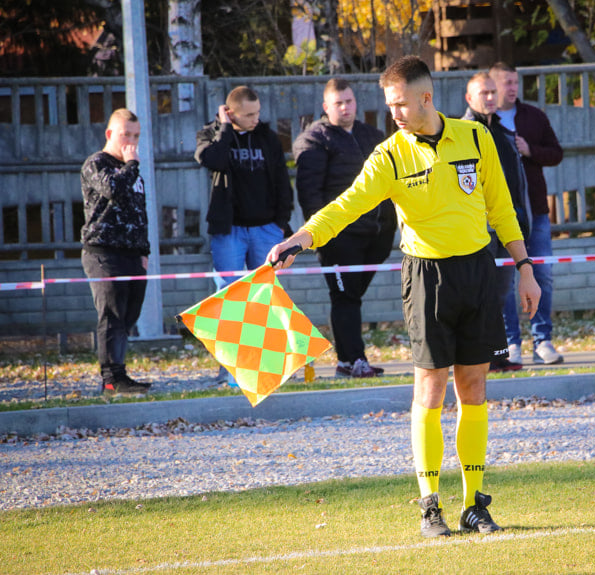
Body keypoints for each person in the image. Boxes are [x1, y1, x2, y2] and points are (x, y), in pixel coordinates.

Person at [268, 56, 541, 538]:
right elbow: (346, 206)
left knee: (474, 389)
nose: (392, 112)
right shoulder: (388, 155)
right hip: (427, 278)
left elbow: (501, 208)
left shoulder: (476, 138)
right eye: (388, 104)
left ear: (425, 98)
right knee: (430, 391)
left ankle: (474, 504)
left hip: (478, 271)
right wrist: (300, 238)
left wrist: (524, 269)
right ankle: (429, 505)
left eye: (399, 103)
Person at [292, 78, 396, 378]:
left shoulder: (373, 136)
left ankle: (349, 359)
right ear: (326, 107)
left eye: (349, 101)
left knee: (351, 296)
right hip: (338, 238)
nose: (346, 107)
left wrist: (388, 224)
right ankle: (352, 361)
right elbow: (309, 193)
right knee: (345, 297)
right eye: (339, 103)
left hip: (376, 235)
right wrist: (320, 235)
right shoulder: (315, 140)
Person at [195, 85, 294, 384]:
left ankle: (267, 366)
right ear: (230, 112)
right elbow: (213, 160)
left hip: (265, 229)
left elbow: (281, 180)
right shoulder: (210, 135)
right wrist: (225, 129)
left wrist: (281, 223)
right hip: (229, 232)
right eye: (248, 114)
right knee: (229, 299)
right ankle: (230, 369)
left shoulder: (267, 137)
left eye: (258, 113)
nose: (255, 119)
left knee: (265, 298)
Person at [488, 62, 564, 366]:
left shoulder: (533, 116)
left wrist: (530, 150)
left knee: (542, 274)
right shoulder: (482, 124)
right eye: (505, 82)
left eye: (514, 82)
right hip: (501, 217)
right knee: (504, 280)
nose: (511, 88)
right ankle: (511, 341)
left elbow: (556, 153)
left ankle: (542, 339)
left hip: (536, 212)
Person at [462, 71, 532, 373]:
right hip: (478, 229)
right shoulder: (463, 134)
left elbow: (516, 184)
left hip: (507, 226)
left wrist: (521, 223)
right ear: (469, 98)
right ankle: (479, 356)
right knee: (480, 294)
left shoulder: (504, 133)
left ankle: (497, 355)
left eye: (493, 92)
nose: (490, 98)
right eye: (483, 93)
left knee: (501, 293)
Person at [80, 108, 151, 395]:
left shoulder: (132, 170)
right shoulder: (97, 163)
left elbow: (138, 211)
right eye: (126, 135)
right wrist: (132, 164)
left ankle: (120, 374)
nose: (131, 142)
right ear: (110, 134)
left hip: (133, 254)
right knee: (111, 313)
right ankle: (111, 379)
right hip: (103, 252)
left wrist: (144, 252)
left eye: (136, 136)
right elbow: (113, 189)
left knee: (129, 314)